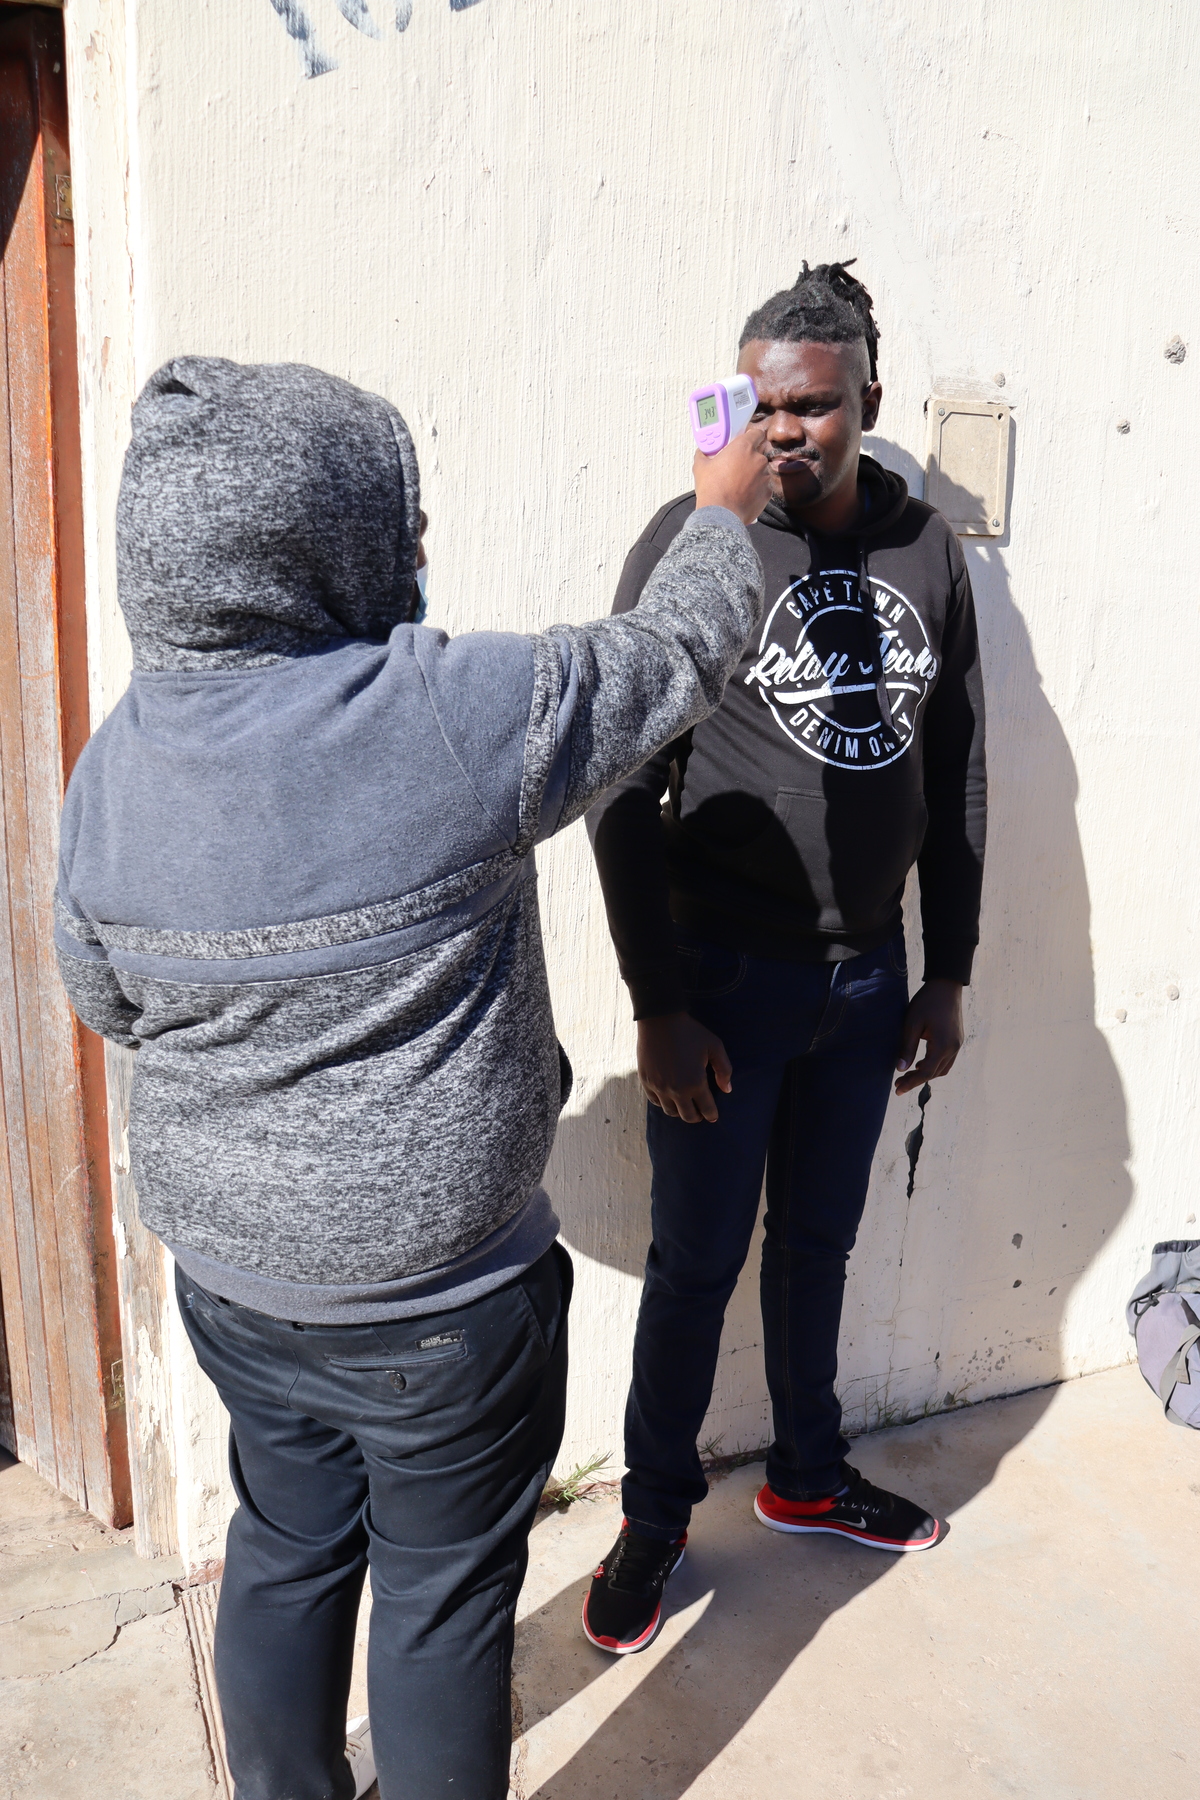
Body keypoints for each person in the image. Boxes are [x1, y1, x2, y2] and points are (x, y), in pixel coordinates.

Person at [54, 356, 771, 1800]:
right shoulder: (445, 712)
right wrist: (721, 507)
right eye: (398, 521)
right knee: (439, 1600)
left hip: (237, 1291)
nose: (419, 549)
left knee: (284, 1548)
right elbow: (684, 649)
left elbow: (105, 999)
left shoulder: (116, 763)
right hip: (442, 1311)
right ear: (317, 542)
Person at [583, 261, 987, 1656]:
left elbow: (957, 767)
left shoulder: (926, 548)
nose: (784, 432)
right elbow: (620, 777)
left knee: (819, 1245)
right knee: (695, 1264)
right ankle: (653, 1516)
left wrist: (947, 969)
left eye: (811, 406)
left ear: (867, 398)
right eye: (760, 405)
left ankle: (808, 1475)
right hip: (724, 982)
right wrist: (658, 1000)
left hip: (866, 981)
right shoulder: (696, 541)